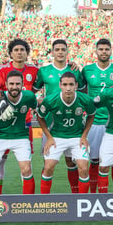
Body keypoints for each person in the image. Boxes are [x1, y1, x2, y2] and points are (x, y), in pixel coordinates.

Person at [0, 70, 37, 220]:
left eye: (18, 84)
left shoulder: (29, 97)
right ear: (6, 85)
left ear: (23, 85)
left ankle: (27, 207)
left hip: (20, 137)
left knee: (26, 169)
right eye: (11, 84)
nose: (14, 86)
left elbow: (39, 108)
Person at [33, 39, 85, 193]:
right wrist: (38, 101)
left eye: (63, 49)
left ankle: (76, 196)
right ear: (52, 52)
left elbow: (83, 92)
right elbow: (32, 91)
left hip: (72, 122)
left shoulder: (75, 70)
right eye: (57, 49)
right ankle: (45, 199)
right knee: (48, 162)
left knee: (71, 161)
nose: (60, 52)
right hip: (50, 122)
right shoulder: (44, 71)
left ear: (67, 52)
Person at [0, 39, 38, 195]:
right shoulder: (2, 69)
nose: (19, 52)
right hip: (3, 125)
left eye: (22, 50)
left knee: (26, 165)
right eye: (16, 50)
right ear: (10, 53)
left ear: (27, 53)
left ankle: (26, 202)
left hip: (25, 124)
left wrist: (72, 66)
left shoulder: (34, 70)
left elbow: (53, 79)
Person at [37, 72, 96, 194]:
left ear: (76, 85)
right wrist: (48, 137)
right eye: (65, 84)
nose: (68, 88)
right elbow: (40, 117)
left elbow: (91, 115)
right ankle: (44, 200)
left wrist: (84, 136)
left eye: (71, 84)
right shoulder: (50, 100)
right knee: (48, 167)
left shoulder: (85, 99)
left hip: (77, 137)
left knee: (84, 168)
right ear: (60, 85)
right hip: (57, 137)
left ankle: (82, 201)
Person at [81, 39, 113, 193]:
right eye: (101, 49)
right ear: (96, 51)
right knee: (94, 160)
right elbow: (82, 92)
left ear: (111, 51)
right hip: (95, 122)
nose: (104, 52)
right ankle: (93, 195)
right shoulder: (87, 70)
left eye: (106, 49)